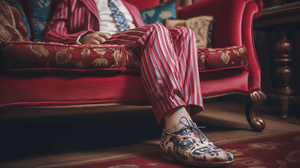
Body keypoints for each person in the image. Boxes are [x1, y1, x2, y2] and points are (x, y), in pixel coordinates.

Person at [44, 0, 235, 167]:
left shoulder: (130, 7)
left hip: (141, 41)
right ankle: (176, 128)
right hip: (109, 41)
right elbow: (52, 34)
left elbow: (150, 34)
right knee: (156, 29)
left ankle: (188, 125)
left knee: (185, 33)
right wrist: (83, 37)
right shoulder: (72, 1)